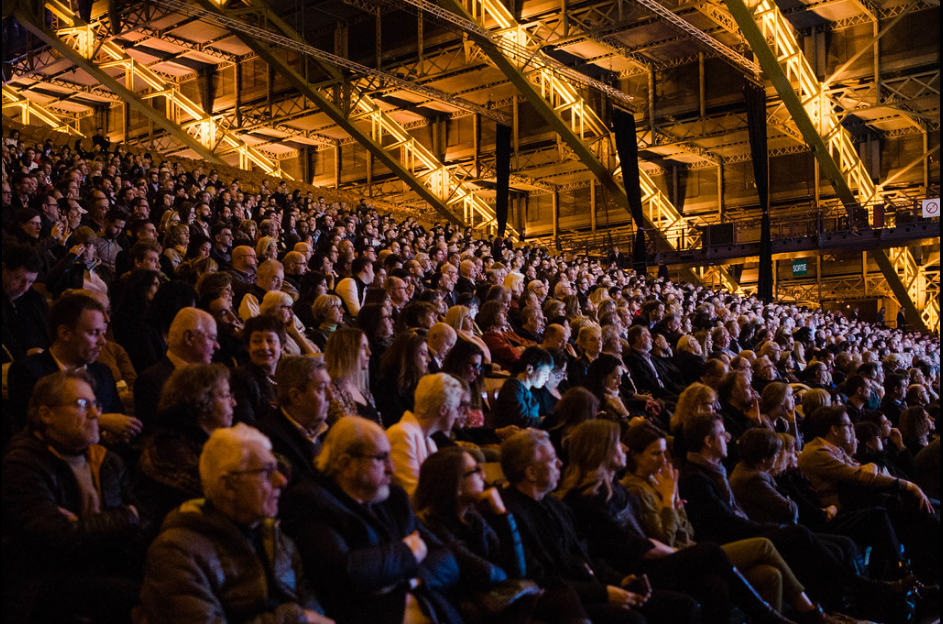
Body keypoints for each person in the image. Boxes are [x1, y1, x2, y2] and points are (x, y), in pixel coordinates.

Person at [559, 420, 796, 624]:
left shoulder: (615, 489)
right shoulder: (588, 500)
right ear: (599, 451)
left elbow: (682, 530)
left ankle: (769, 615)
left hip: (650, 558)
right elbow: (639, 545)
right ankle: (768, 615)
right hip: (631, 570)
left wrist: (671, 504)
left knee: (715, 585)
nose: (624, 448)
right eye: (616, 443)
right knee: (714, 551)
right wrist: (669, 509)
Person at [498, 428, 700, 624]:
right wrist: (604, 592)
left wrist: (619, 580)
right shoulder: (513, 515)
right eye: (552, 460)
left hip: (592, 586)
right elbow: (541, 579)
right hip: (564, 600)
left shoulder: (554, 505)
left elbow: (586, 555)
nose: (560, 463)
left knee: (687, 602)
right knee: (638, 618)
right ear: (531, 473)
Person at [139, 424, 331, 624]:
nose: (281, 480)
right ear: (229, 485)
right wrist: (295, 619)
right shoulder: (176, 552)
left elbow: (309, 603)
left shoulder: (272, 535)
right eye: (266, 472)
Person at [280, 416, 462, 624]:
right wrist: (408, 551)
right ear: (345, 463)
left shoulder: (393, 498)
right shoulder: (308, 501)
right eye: (381, 458)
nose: (391, 469)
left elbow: (447, 560)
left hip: (429, 608)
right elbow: (345, 573)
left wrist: (405, 582)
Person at [2, 371, 144, 623]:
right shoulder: (23, 463)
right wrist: (123, 517)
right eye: (82, 404)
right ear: (46, 414)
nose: (95, 414)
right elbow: (56, 537)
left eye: (95, 404)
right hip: (43, 583)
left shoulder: (104, 458)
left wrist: (85, 525)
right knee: (134, 595)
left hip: (104, 562)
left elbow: (142, 517)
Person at [415, 447, 588, 623]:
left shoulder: (473, 517)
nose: (484, 476)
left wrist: (503, 515)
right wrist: (504, 574)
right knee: (562, 600)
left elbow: (518, 569)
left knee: (567, 598)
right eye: (476, 471)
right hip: (471, 609)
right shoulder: (431, 525)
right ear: (455, 484)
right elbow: (485, 573)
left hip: (496, 601)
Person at [7, 292, 142, 442]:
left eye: (102, 332)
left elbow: (119, 425)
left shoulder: (103, 373)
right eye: (94, 333)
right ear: (65, 333)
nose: (103, 341)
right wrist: (101, 421)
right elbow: (34, 427)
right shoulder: (28, 372)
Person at [137, 363, 236, 522]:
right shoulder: (167, 446)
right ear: (201, 399)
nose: (233, 403)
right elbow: (220, 496)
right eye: (225, 396)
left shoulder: (213, 439)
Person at [134, 307, 219, 425]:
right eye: (211, 338)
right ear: (189, 338)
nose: (217, 346)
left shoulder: (210, 378)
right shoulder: (151, 381)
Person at [386, 372, 464, 496]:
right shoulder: (402, 435)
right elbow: (411, 492)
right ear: (443, 410)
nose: (457, 415)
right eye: (456, 408)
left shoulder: (429, 441)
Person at [258, 356, 332, 484]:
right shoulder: (269, 439)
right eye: (321, 388)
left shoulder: (332, 428)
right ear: (296, 396)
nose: (331, 395)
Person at [231, 315, 284, 425]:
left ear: (282, 346)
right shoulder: (239, 378)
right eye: (257, 341)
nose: (264, 347)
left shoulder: (290, 376)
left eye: (270, 340)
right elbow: (247, 424)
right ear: (248, 347)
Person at [325, 327, 381, 425]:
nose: (369, 352)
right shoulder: (331, 393)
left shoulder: (361, 387)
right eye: (363, 347)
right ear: (347, 352)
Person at [374, 332, 431, 427]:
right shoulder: (388, 386)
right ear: (408, 356)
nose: (429, 359)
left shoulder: (420, 383)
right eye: (423, 353)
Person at [492, 346, 554, 429]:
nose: (547, 378)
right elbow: (522, 421)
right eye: (545, 373)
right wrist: (547, 419)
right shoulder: (513, 386)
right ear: (529, 369)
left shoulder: (528, 391)